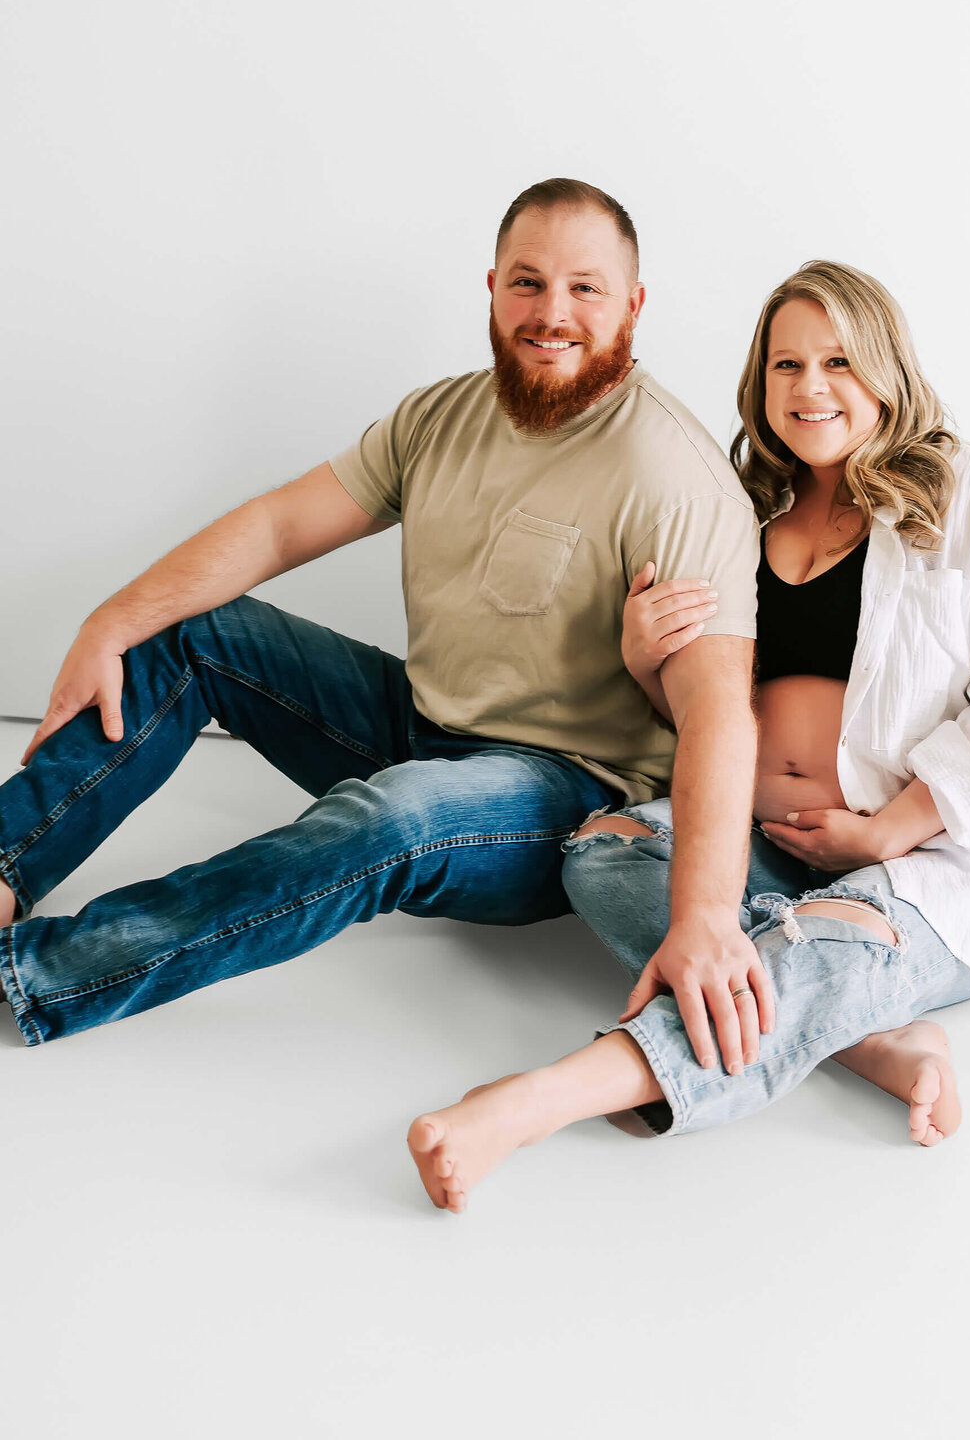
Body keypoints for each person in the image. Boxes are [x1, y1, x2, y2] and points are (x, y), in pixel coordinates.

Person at [0, 178, 775, 1047]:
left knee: (391, 815)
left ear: (632, 306)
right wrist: (109, 620)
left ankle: (40, 972)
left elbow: (717, 711)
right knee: (189, 628)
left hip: (561, 795)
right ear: (492, 289)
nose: (552, 312)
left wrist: (705, 917)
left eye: (585, 288)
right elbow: (278, 525)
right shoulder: (439, 416)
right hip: (419, 722)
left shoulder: (677, 478)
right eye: (528, 281)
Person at [407, 260, 970, 1210]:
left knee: (830, 940)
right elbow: (707, 714)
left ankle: (541, 1097)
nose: (810, 388)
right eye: (786, 366)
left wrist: (891, 828)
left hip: (930, 864)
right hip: (766, 852)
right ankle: (875, 1035)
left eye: (838, 361)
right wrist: (646, 663)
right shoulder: (742, 514)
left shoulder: (964, 494)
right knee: (602, 855)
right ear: (758, 385)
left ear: (886, 368)